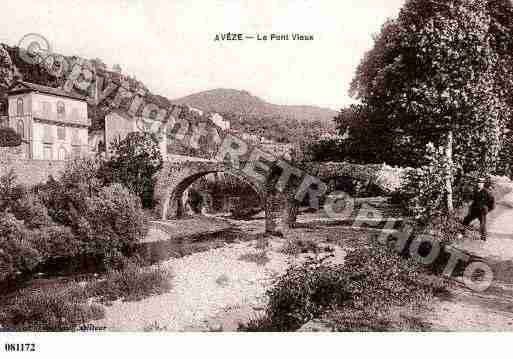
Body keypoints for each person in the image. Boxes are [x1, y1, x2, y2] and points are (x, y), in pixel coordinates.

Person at [463, 177, 495, 241]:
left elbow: (492, 203)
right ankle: (462, 233)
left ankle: (483, 237)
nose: (479, 184)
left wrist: (488, 209)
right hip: (474, 210)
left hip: (482, 211)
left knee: (482, 223)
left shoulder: (487, 192)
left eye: (481, 183)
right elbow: (472, 200)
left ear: (483, 184)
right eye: (478, 183)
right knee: (466, 220)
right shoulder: (475, 191)